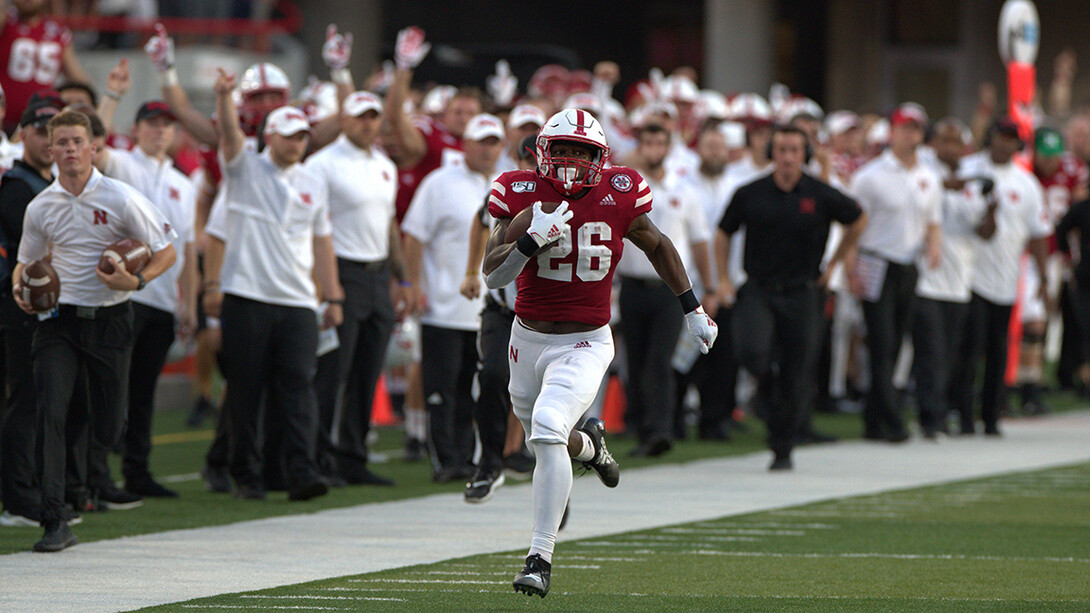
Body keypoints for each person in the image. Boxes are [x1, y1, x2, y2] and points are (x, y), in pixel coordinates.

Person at [482, 108, 717, 597]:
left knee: (547, 425)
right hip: (526, 338)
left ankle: (539, 558)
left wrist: (692, 308)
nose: (570, 160)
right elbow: (493, 272)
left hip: (586, 339)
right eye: (562, 149)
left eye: (581, 151)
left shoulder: (621, 190)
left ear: (599, 157)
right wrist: (529, 242)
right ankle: (591, 446)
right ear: (543, 153)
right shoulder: (519, 193)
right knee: (547, 438)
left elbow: (657, 244)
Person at [14, 109, 176, 552]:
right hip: (59, 320)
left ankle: (87, 474)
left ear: (92, 147)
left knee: (110, 426)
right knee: (51, 409)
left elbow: (166, 251)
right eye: (61, 142)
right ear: (51, 150)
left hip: (110, 319)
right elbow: (25, 263)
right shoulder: (40, 206)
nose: (69, 149)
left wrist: (137, 280)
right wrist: (21, 289)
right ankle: (54, 519)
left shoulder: (121, 198)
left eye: (76, 141)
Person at [202, 70, 342, 501]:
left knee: (299, 386)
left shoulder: (313, 181)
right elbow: (227, 136)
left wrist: (332, 294)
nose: (297, 143)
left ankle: (300, 470)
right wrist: (225, 97)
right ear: (269, 137)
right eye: (288, 136)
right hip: (247, 295)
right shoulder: (245, 169)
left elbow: (322, 241)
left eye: (302, 136)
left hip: (298, 300)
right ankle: (246, 472)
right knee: (246, 387)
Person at [716, 125, 866, 470]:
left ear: (805, 155)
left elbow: (858, 219)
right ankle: (764, 394)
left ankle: (782, 446)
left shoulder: (821, 193)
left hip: (804, 291)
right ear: (772, 153)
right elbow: (723, 232)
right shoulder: (750, 193)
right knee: (751, 352)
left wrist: (835, 263)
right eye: (781, 149)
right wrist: (723, 278)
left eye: (794, 150)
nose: (787, 157)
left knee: (798, 371)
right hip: (759, 287)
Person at [96, 101, 198, 497]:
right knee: (109, 387)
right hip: (121, 295)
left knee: (142, 392)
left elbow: (186, 249)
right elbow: (95, 147)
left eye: (166, 125)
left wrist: (187, 301)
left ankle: (138, 470)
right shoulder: (122, 163)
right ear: (136, 129)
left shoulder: (184, 184)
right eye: (151, 124)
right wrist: (112, 97)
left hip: (161, 300)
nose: (160, 131)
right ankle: (96, 472)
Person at [305, 91, 402, 487]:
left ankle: (353, 456)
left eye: (374, 117)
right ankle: (317, 457)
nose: (368, 124)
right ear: (344, 120)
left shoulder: (384, 164)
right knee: (332, 371)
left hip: (378, 273)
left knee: (367, 371)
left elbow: (389, 223)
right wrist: (321, 286)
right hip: (341, 271)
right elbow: (312, 228)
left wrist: (402, 277)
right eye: (361, 116)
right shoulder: (321, 163)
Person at [401, 113, 502, 483]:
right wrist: (413, 284)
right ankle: (444, 459)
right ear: (465, 144)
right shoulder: (439, 183)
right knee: (441, 390)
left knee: (471, 389)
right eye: (482, 142)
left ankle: (465, 455)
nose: (489, 149)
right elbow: (414, 234)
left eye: (495, 142)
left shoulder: (503, 184)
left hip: (486, 309)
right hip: (443, 305)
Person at [617, 122, 712, 456]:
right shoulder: (627, 188)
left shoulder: (684, 191)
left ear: (669, 148)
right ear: (639, 146)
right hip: (631, 284)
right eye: (648, 143)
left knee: (660, 358)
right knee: (637, 358)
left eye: (660, 143)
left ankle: (661, 429)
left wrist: (708, 285)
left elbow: (699, 243)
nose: (654, 149)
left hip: (668, 289)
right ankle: (642, 426)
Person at [849, 103, 942, 442]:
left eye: (916, 129)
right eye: (905, 128)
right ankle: (892, 420)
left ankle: (874, 419)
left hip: (907, 265)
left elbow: (933, 221)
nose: (911, 135)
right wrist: (850, 268)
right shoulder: (871, 176)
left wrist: (934, 247)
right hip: (876, 262)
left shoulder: (927, 177)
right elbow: (854, 229)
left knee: (894, 344)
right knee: (882, 341)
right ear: (893, 132)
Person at [952, 118, 1050, 436]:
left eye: (1012, 139)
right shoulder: (968, 170)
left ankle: (992, 415)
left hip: (1007, 276)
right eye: (1001, 137)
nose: (1005, 144)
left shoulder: (1026, 182)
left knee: (998, 349)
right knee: (970, 349)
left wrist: (1044, 277)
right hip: (969, 274)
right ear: (990, 138)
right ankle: (964, 414)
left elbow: (1037, 233)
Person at [459, 134, 537, 503]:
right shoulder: (511, 187)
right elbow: (481, 220)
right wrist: (472, 272)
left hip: (552, 316)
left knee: (550, 402)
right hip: (504, 309)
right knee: (492, 375)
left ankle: (557, 482)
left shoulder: (581, 195)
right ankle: (489, 462)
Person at [913, 118, 995, 438]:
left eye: (956, 143)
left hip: (960, 279)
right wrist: (947, 186)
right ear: (933, 144)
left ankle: (943, 408)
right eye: (945, 141)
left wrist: (992, 209)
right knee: (931, 351)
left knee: (951, 353)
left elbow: (983, 231)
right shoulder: (924, 172)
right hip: (927, 278)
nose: (951, 148)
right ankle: (929, 415)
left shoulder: (970, 185)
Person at [0, 94, 59, 527]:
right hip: (22, 302)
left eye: (55, 132)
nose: (48, 139)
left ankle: (33, 487)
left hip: (42, 305)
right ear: (23, 134)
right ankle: (18, 497)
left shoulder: (49, 185)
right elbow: (36, 250)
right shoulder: (19, 186)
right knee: (25, 399)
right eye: (40, 130)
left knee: (40, 400)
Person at [0, 0, 90, 134]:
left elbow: (75, 75)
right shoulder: (5, 22)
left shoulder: (58, 32)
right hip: (4, 121)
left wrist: (96, 101)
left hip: (39, 122)